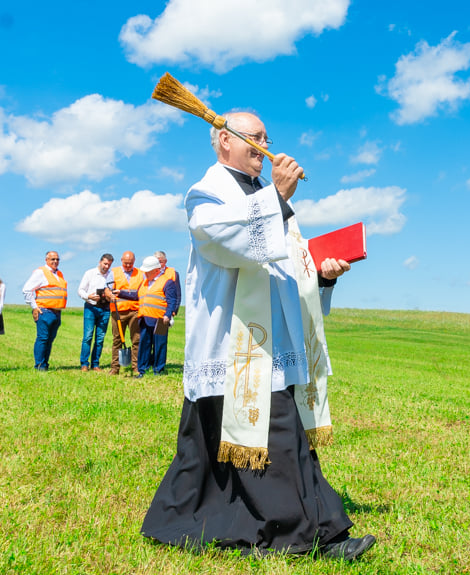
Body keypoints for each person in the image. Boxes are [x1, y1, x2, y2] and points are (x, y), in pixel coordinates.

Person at [140, 112, 374, 560]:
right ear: (224, 141)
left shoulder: (266, 199)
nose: (266, 145)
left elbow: (288, 268)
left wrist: (322, 275)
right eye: (256, 137)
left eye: (268, 136)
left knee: (271, 444)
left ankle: (207, 521)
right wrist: (278, 197)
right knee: (279, 437)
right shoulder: (206, 193)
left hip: (273, 341)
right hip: (234, 344)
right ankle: (296, 536)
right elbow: (223, 241)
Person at [22, 250, 67, 371]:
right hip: (45, 311)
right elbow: (26, 290)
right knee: (43, 338)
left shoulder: (59, 274)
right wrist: (34, 307)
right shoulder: (40, 272)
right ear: (46, 260)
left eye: (57, 259)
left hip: (57, 312)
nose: (55, 261)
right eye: (52, 259)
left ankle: (45, 363)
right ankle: (40, 365)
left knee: (50, 340)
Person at [134, 255, 178, 378]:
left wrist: (168, 315)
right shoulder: (144, 282)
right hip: (144, 318)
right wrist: (120, 293)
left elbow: (172, 300)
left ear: (156, 270)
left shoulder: (167, 282)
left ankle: (158, 370)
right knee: (144, 345)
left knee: (160, 345)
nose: (145, 274)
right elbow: (136, 296)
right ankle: (142, 370)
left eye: (147, 272)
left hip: (160, 319)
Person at [109, 251, 143, 376]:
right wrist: (109, 295)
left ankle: (136, 366)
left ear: (134, 262)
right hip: (118, 311)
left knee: (136, 339)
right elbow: (107, 289)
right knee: (117, 339)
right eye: (125, 263)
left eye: (130, 263)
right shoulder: (113, 272)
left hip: (134, 310)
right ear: (121, 260)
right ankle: (115, 367)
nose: (128, 265)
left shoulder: (140, 274)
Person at [77, 253, 114, 372]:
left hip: (105, 309)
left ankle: (95, 364)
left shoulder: (112, 276)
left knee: (100, 338)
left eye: (109, 264)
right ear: (100, 262)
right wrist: (89, 297)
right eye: (105, 263)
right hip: (91, 308)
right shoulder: (90, 273)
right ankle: (84, 363)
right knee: (88, 336)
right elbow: (80, 290)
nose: (107, 266)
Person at [151, 250, 181, 374]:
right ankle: (148, 364)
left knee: (160, 341)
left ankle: (159, 367)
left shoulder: (172, 273)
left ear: (165, 261)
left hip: (164, 314)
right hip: (149, 312)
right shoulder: (148, 272)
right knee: (149, 341)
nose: (158, 264)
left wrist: (172, 312)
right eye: (156, 262)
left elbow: (177, 295)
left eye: (161, 261)